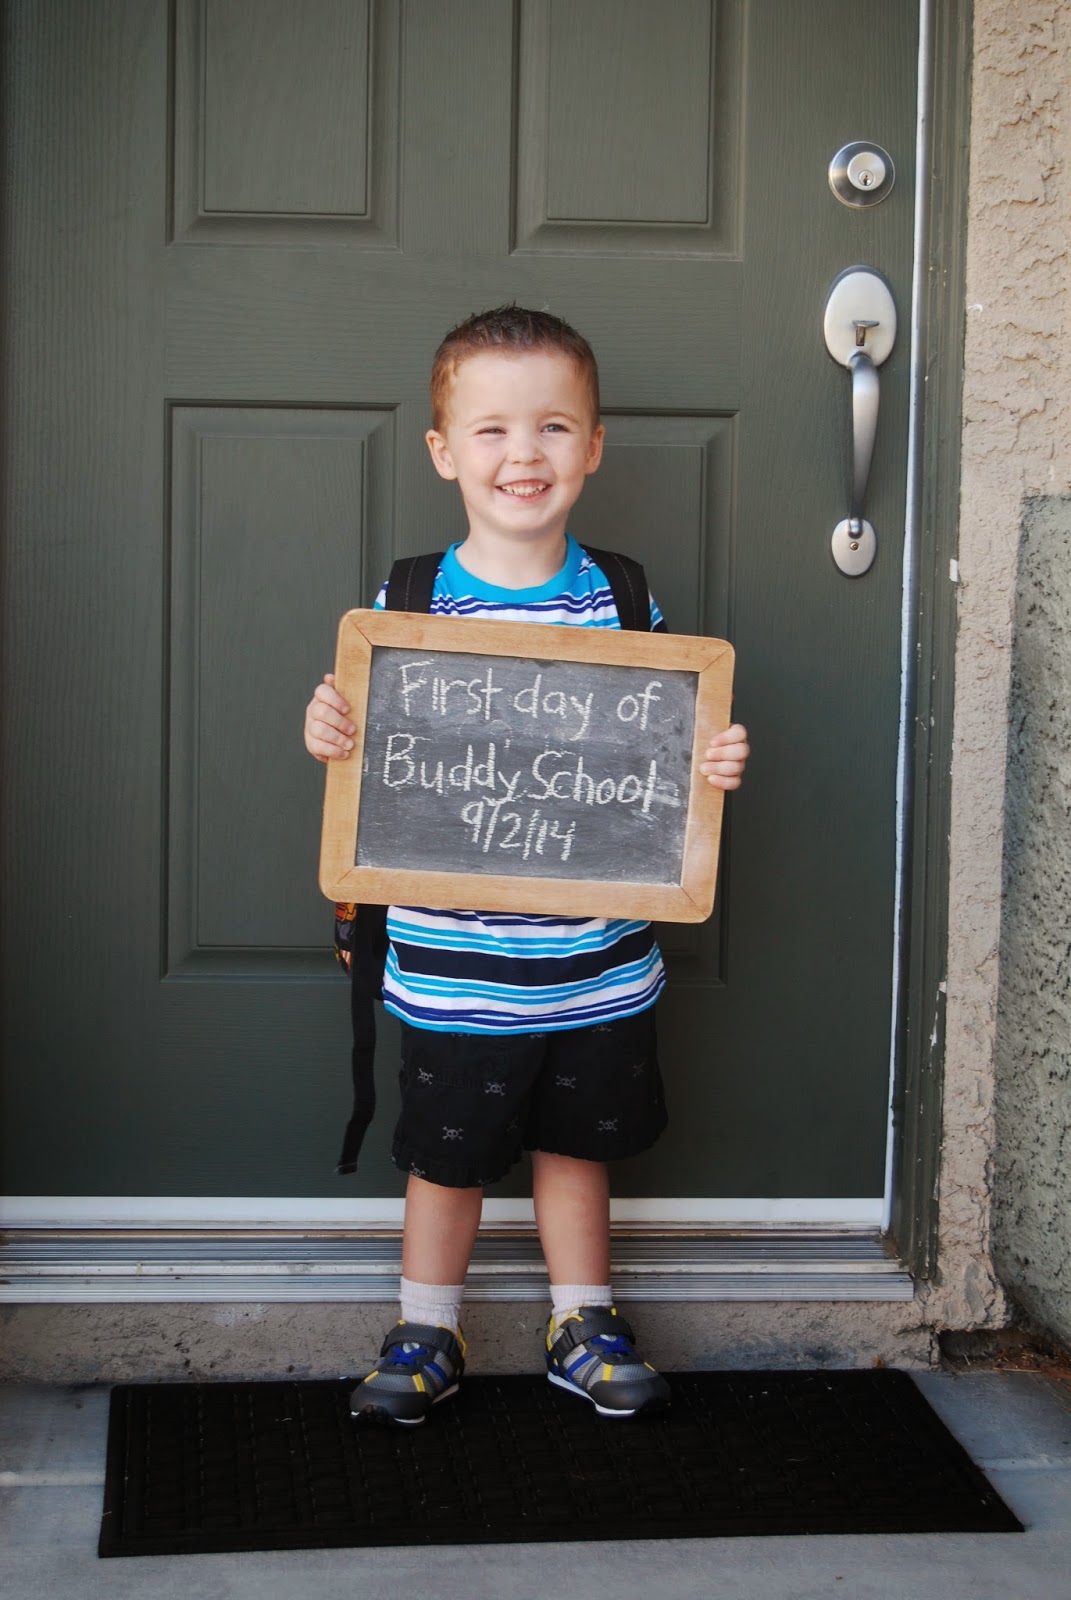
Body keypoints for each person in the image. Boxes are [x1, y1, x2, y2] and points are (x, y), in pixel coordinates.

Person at [304, 305, 749, 1425]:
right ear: (443, 450)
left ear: (592, 446)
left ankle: (582, 1321)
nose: (524, 455)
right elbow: (371, 757)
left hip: (596, 964)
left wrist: (712, 761)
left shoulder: (627, 601)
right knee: (445, 1160)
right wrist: (330, 732)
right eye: (493, 429)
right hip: (455, 967)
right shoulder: (408, 602)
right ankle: (425, 1326)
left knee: (577, 1149)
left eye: (552, 427)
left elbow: (664, 750)